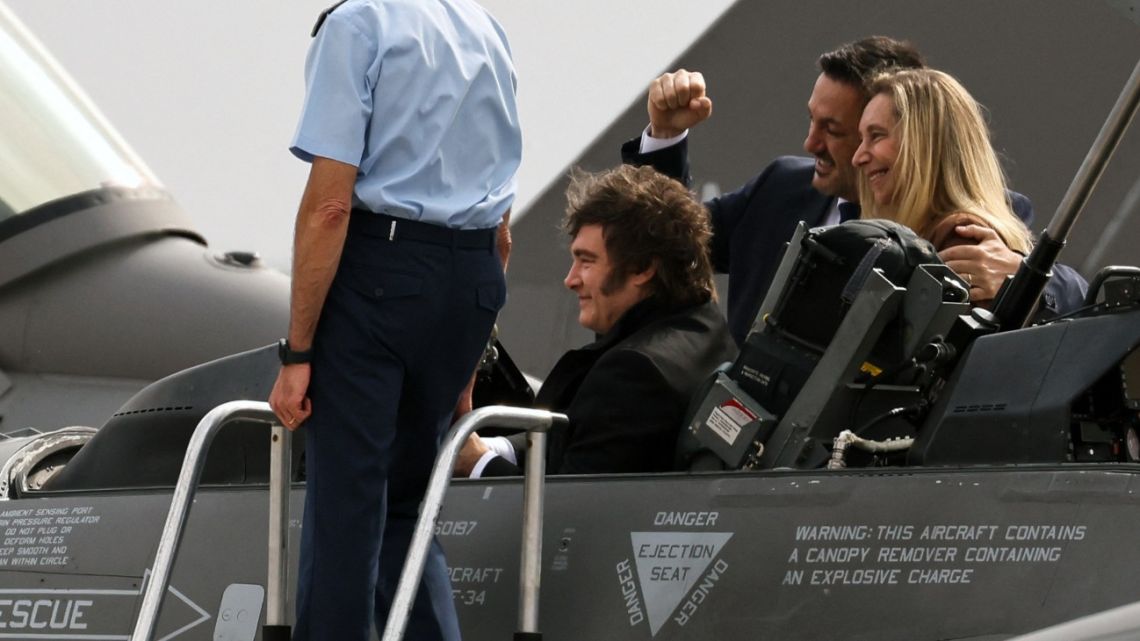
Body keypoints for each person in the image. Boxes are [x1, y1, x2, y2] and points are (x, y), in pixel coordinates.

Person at [267, 1, 520, 639]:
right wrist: (468, 359)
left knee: (347, 517)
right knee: (411, 511)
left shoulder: (357, 25)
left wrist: (297, 356)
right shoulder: (487, 30)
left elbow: (329, 207)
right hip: (471, 281)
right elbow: (502, 230)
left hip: (382, 276)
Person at [622, 36, 1087, 345]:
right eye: (812, 121)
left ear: (910, 135)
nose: (811, 144)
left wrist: (1025, 278)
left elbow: (1077, 300)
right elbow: (669, 242)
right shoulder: (780, 188)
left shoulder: (968, 223)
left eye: (835, 130)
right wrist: (664, 138)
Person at [455, 165, 738, 478]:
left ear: (643, 267)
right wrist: (492, 449)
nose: (570, 280)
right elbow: (585, 443)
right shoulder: (704, 324)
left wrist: (478, 464)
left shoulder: (633, 373)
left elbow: (566, 513)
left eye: (586, 262)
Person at [854, 67, 1033, 299]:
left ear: (925, 143)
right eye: (861, 139)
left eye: (876, 135)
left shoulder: (963, 241)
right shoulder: (928, 236)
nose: (857, 157)